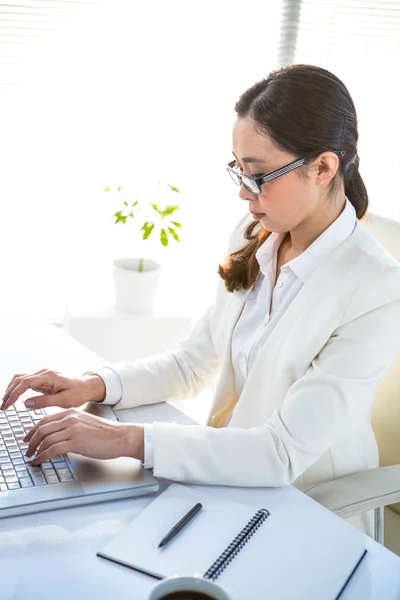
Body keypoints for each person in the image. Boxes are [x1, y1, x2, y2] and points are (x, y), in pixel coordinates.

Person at [2, 64, 400, 537]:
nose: (242, 192)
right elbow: (193, 363)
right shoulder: (257, 234)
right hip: (226, 481)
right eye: (238, 169)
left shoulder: (376, 288)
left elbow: (281, 453)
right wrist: (93, 385)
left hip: (304, 509)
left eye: (258, 175)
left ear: (324, 167)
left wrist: (126, 438)